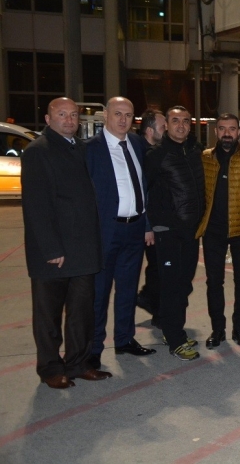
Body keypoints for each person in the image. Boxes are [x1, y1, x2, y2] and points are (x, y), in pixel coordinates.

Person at [21, 97, 111, 388]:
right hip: (54, 251)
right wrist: (51, 249)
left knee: (81, 313)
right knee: (48, 316)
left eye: (74, 115)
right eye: (62, 114)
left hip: (83, 250)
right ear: (48, 119)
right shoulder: (38, 152)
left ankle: (78, 363)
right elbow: (36, 205)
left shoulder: (80, 150)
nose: (69, 120)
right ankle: (50, 368)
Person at [85, 97, 156, 370]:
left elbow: (144, 188)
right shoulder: (91, 150)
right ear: (106, 116)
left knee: (127, 289)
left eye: (128, 114)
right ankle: (93, 348)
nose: (123, 120)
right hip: (105, 230)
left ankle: (125, 340)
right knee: (100, 292)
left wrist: (147, 225)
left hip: (135, 229)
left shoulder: (137, 144)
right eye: (118, 114)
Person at [144, 106, 205, 361]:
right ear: (166, 125)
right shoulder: (156, 155)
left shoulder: (195, 151)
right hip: (167, 231)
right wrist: (150, 226)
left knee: (183, 283)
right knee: (171, 285)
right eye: (175, 121)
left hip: (191, 232)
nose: (181, 125)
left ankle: (173, 330)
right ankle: (175, 338)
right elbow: (144, 192)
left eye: (185, 121)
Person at [196, 114, 240, 348]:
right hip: (213, 231)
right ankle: (217, 330)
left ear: (238, 132)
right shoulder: (205, 158)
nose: (227, 133)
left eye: (231, 129)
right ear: (216, 132)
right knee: (214, 282)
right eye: (222, 129)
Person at [135, 109, 166, 329]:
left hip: (156, 223)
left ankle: (153, 305)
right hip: (150, 225)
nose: (167, 131)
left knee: (157, 268)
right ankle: (153, 306)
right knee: (157, 268)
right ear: (149, 131)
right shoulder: (145, 156)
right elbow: (144, 193)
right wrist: (148, 226)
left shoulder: (153, 151)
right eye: (163, 127)